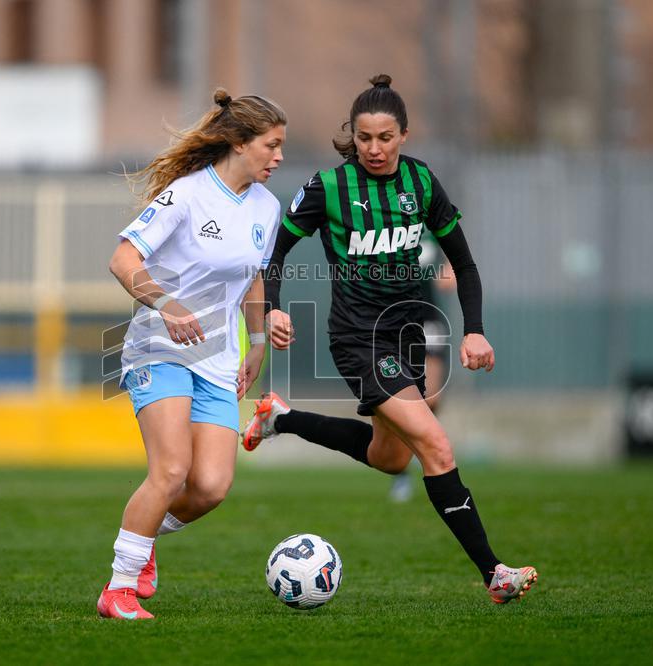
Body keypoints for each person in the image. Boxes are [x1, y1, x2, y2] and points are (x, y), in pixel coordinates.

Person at [243, 75, 537, 604]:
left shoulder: (422, 184)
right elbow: (275, 253)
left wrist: (475, 330)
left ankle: (279, 418)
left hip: (406, 336)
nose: (374, 149)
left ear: (404, 134)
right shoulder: (329, 188)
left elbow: (465, 265)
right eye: (363, 139)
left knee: (390, 459)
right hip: (358, 338)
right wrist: (274, 310)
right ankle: (494, 573)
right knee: (436, 445)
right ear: (351, 137)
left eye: (384, 137)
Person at [99, 89, 286, 620]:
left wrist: (254, 344)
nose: (278, 157)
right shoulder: (185, 196)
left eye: (281, 147)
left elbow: (253, 280)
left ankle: (143, 538)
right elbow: (122, 259)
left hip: (220, 357)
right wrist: (166, 303)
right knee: (172, 470)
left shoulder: (266, 207)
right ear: (239, 142)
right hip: (159, 346)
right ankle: (119, 589)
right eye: (271, 146)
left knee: (210, 486)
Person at [388, 239, 455, 503]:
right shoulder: (388, 226)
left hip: (429, 318)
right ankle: (401, 472)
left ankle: (426, 454)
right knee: (400, 400)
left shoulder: (434, 231)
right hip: (395, 320)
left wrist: (449, 269)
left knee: (432, 399)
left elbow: (450, 275)